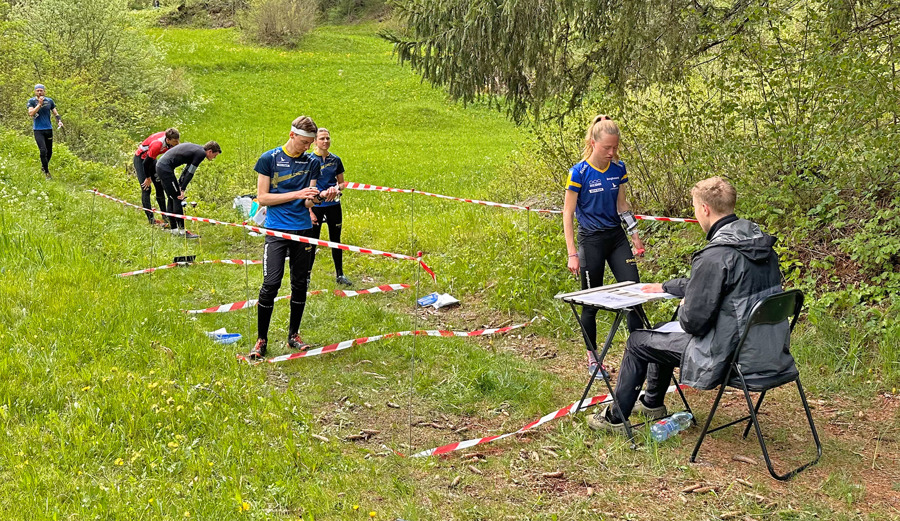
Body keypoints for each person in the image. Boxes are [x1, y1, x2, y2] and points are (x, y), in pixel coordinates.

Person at [587, 176, 795, 433]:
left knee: (638, 340)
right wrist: (667, 287)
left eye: (695, 208)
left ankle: (615, 418)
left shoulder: (717, 254)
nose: (695, 214)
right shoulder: (758, 245)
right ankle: (652, 402)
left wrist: (686, 304)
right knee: (662, 329)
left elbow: (693, 323)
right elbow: (728, 289)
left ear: (705, 209)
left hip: (728, 354)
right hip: (766, 348)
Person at [563, 115, 646, 375]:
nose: (611, 152)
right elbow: (568, 214)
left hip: (616, 238)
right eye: (606, 148)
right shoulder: (579, 172)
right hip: (591, 241)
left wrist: (634, 236)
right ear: (593, 143)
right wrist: (572, 253)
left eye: (615, 147)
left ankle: (641, 352)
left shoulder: (618, 169)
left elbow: (623, 205)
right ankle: (593, 359)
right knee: (591, 302)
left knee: (634, 293)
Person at [247, 116, 326, 361]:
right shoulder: (268, 159)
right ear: (292, 135)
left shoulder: (312, 162)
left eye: (309, 143)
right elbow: (262, 198)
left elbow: (308, 200)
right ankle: (261, 339)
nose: (307, 148)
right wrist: (297, 193)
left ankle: (294, 334)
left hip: (302, 229)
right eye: (303, 142)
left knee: (300, 283)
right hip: (276, 230)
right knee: (271, 284)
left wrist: (322, 197)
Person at [305, 128, 351, 286]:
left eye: (328, 138)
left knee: (336, 240)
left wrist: (336, 189)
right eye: (322, 139)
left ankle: (340, 274)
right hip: (316, 205)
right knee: (312, 241)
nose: (325, 141)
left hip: (333, 205)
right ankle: (307, 276)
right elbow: (305, 188)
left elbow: (342, 183)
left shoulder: (336, 160)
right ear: (315, 141)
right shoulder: (308, 159)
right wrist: (309, 211)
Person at [155, 141, 222, 238]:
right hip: (165, 168)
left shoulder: (197, 150)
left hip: (160, 165)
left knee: (171, 197)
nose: (213, 158)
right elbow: (190, 173)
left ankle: (174, 230)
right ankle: (182, 232)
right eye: (214, 156)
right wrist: (182, 189)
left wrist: (180, 184)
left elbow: (186, 170)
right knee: (178, 197)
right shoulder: (201, 154)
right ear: (210, 151)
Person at [134, 128, 180, 225]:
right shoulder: (157, 144)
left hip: (151, 158)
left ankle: (165, 216)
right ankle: (151, 220)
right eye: (175, 141)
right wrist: (148, 178)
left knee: (159, 186)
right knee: (146, 188)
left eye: (178, 140)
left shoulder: (171, 141)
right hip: (142, 159)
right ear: (168, 140)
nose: (177, 143)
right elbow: (146, 164)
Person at [26, 84, 63, 179]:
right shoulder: (31, 101)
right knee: (43, 150)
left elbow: (55, 113)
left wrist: (59, 121)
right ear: (35, 91)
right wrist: (39, 104)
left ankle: (43, 166)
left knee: (49, 151)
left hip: (48, 129)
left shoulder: (49, 101)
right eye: (37, 90)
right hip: (38, 130)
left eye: (41, 90)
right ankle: (47, 172)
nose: (39, 92)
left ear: (44, 91)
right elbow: (31, 113)